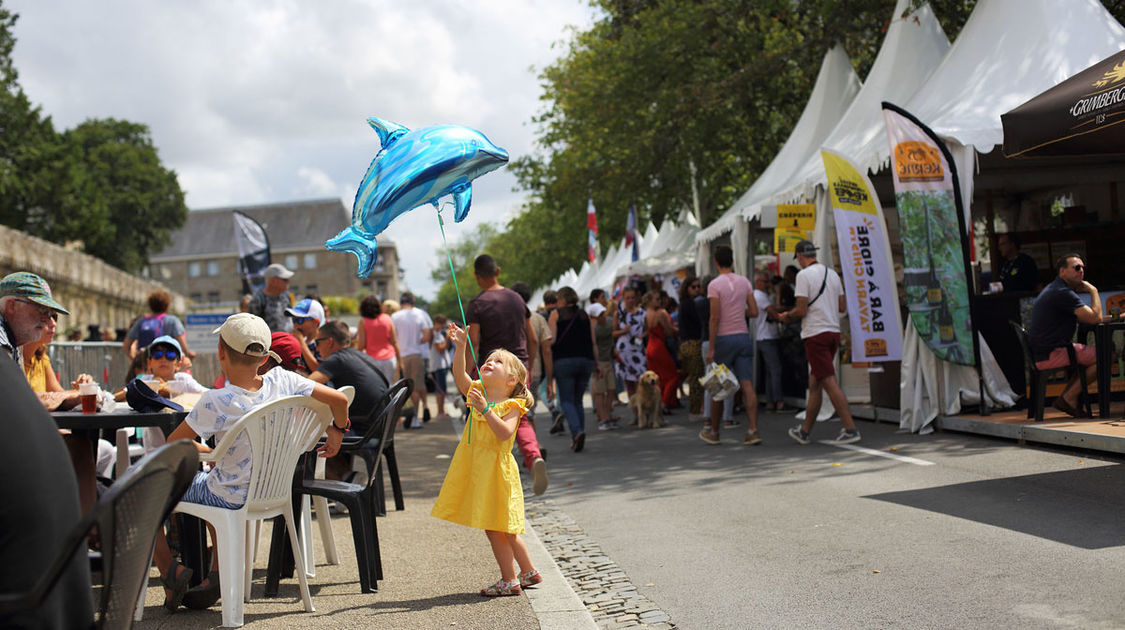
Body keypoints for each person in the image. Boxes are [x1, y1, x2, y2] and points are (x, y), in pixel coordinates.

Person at [151, 313, 349, 612]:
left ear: (220, 352)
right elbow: (340, 400)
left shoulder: (215, 401)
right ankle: (217, 574)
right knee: (213, 480)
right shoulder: (285, 380)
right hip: (274, 491)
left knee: (150, 495)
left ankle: (170, 572)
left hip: (229, 494)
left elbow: (174, 444)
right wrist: (337, 431)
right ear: (265, 356)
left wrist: (212, 451)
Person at [431, 322, 542, 597]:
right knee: (505, 527)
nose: (489, 362)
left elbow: (504, 434)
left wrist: (485, 410)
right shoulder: (478, 391)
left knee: (496, 529)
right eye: (489, 360)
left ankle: (509, 579)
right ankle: (528, 571)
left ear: (511, 380)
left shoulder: (511, 405)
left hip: (496, 471)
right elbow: (459, 375)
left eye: (498, 362)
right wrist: (459, 348)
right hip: (482, 469)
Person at [0, 353, 95, 629]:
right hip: (68, 606)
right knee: (81, 446)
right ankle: (90, 535)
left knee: (81, 447)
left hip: (23, 607)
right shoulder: (9, 366)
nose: (51, 322)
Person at [465, 254, 547, 495]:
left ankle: (499, 476)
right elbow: (532, 337)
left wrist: (471, 371)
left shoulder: (477, 304)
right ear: (498, 271)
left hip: (493, 372)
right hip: (518, 367)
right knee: (518, 416)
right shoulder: (517, 299)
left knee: (492, 420)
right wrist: (527, 367)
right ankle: (533, 456)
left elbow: (475, 341)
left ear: (477, 276)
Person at [781, 240, 860, 445]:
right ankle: (805, 431)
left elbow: (802, 310)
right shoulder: (832, 274)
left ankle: (851, 429)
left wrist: (786, 316)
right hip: (833, 332)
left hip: (815, 334)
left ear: (799, 256)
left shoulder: (803, 276)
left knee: (828, 381)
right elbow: (842, 307)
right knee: (815, 383)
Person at [309, 320, 391, 478]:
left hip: (364, 430)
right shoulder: (360, 355)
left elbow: (308, 385)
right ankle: (347, 480)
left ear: (330, 342)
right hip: (380, 426)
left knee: (307, 436)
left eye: (318, 342)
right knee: (330, 427)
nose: (317, 348)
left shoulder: (337, 359)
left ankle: (346, 480)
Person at [1027, 253, 1102, 418]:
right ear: (1062, 272)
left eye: (1083, 268)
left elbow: (1090, 317)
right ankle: (1068, 398)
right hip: (1051, 353)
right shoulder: (1062, 292)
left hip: (1045, 352)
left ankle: (1068, 397)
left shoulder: (1057, 289)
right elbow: (1095, 318)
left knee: (1091, 355)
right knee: (1105, 355)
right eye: (1076, 268)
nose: (1081, 271)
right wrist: (1093, 290)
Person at [699, 246, 760, 445]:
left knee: (718, 387)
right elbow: (754, 311)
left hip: (724, 339)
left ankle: (714, 432)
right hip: (742, 336)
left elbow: (714, 318)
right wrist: (737, 312)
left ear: (716, 262)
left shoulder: (714, 285)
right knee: (747, 385)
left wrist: (711, 347)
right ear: (732, 261)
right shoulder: (744, 282)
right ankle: (752, 430)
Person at [549, 286, 597, 452]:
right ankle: (578, 434)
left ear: (561, 299)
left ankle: (577, 432)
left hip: (564, 361)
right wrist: (596, 363)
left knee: (566, 400)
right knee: (578, 400)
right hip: (585, 360)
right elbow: (593, 341)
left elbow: (552, 340)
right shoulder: (584, 315)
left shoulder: (556, 314)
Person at [510, 282, 557, 433]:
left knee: (516, 412)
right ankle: (533, 447)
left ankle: (531, 449)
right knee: (529, 410)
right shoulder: (538, 319)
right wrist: (549, 380)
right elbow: (547, 351)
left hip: (513, 372)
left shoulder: (508, 319)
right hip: (535, 372)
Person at [0, 271, 68, 362]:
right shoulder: (2, 343)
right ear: (12, 306)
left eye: (49, 312)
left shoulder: (15, 343)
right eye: (41, 309)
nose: (47, 320)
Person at [391, 291, 433, 427]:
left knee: (400, 388)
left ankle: (399, 418)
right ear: (412, 302)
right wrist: (416, 340)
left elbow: (392, 337)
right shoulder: (420, 314)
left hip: (400, 356)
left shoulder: (395, 316)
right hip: (416, 354)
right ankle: (414, 417)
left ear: (401, 303)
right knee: (415, 387)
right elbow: (427, 336)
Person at [124, 289, 194, 360]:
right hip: (166, 364)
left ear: (150, 305)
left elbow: (126, 346)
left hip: (145, 363)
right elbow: (183, 345)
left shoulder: (141, 321)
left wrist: (135, 361)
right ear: (167, 305)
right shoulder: (172, 321)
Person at [753, 271, 788, 412]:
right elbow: (773, 313)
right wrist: (785, 315)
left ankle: (770, 401)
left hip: (763, 336)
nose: (768, 284)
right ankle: (779, 401)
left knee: (770, 371)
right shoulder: (760, 296)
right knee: (775, 370)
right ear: (758, 282)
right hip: (767, 337)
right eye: (765, 281)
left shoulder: (759, 296)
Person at [613, 286, 646, 423]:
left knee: (641, 383)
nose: (630, 300)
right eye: (628, 297)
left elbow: (648, 330)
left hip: (638, 351)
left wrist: (642, 336)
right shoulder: (619, 314)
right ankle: (636, 415)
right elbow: (613, 333)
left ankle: (644, 413)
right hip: (624, 351)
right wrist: (623, 331)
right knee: (629, 384)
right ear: (623, 298)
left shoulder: (642, 313)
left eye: (633, 297)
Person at [642, 290, 680, 411]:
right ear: (650, 301)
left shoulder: (644, 314)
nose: (660, 301)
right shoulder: (661, 313)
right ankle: (664, 403)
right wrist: (677, 329)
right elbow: (669, 331)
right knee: (672, 376)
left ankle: (658, 403)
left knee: (658, 378)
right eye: (657, 299)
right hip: (659, 347)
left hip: (649, 347)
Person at [588, 290, 618, 430]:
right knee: (600, 391)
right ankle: (603, 418)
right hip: (599, 362)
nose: (602, 316)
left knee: (611, 389)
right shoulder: (594, 328)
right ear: (594, 316)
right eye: (599, 314)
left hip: (608, 360)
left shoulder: (608, 322)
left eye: (603, 312)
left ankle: (607, 415)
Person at [356, 294, 401, 384]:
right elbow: (394, 341)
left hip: (373, 360)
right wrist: (400, 360)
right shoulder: (387, 318)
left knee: (377, 387)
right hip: (389, 359)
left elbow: (361, 345)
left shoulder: (363, 321)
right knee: (389, 387)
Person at [676, 279, 705, 415]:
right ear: (687, 288)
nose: (697, 289)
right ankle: (697, 409)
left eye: (699, 286)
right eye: (694, 287)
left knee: (696, 377)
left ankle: (700, 407)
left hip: (687, 344)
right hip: (693, 343)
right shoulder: (689, 304)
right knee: (697, 378)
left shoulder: (685, 303)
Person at [247, 263, 295, 332]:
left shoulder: (286, 296)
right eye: (285, 279)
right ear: (273, 281)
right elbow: (253, 327)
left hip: (288, 340)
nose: (288, 282)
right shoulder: (258, 300)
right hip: (271, 342)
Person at [285, 297, 326, 371]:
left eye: (300, 320)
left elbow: (319, 370)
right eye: (294, 320)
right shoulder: (301, 341)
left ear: (315, 322)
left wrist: (301, 343)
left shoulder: (323, 343)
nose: (296, 325)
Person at [428, 314, 453, 419]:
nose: (443, 326)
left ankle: (441, 411)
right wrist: (447, 338)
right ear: (437, 323)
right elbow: (441, 349)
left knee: (441, 388)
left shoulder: (435, 333)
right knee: (441, 389)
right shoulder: (436, 334)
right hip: (439, 365)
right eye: (442, 324)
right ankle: (440, 412)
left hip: (439, 364)